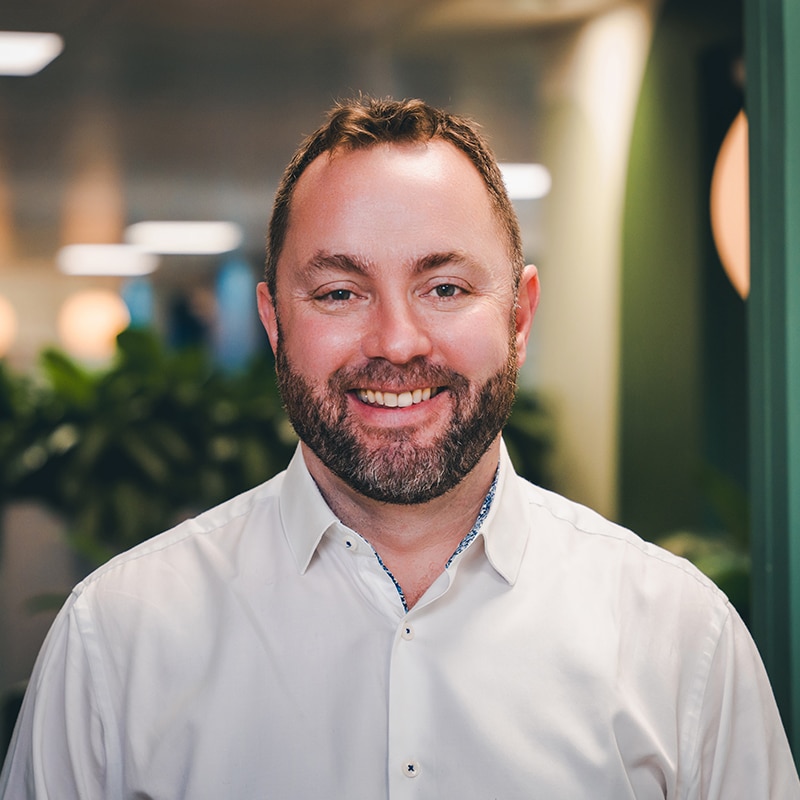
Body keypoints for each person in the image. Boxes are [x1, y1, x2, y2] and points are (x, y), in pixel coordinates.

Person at [1, 96, 798, 799]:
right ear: (276, 321)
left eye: (445, 288)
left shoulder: (682, 640)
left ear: (519, 318)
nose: (397, 341)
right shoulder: (117, 641)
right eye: (340, 292)